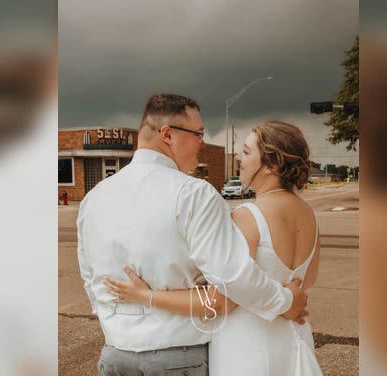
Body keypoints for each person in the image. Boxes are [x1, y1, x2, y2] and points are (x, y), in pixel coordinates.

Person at [77, 94, 309, 376]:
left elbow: (90, 276)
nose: (202, 141)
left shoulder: (94, 198)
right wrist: (284, 301)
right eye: (198, 133)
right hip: (177, 357)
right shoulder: (193, 193)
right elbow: (231, 278)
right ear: (168, 135)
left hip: (115, 355)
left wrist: (117, 321)